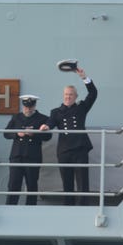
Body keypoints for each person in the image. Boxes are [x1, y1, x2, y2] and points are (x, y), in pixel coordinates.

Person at [40, 67, 98, 206]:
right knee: (67, 182)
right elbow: (50, 122)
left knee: (82, 182)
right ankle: (68, 207)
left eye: (71, 94)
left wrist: (85, 78)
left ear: (75, 96)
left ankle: (83, 206)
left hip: (80, 149)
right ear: (63, 95)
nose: (68, 96)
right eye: (66, 94)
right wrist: (45, 127)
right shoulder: (56, 112)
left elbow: (93, 94)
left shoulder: (81, 108)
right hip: (64, 150)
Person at [4, 95, 52, 205]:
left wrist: (34, 134)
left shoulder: (42, 118)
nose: (28, 109)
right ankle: (10, 207)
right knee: (13, 184)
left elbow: (48, 136)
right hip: (17, 155)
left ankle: (31, 208)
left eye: (30, 107)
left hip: (32, 156)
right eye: (26, 107)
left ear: (34, 106)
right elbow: (6, 133)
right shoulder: (16, 117)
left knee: (32, 184)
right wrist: (17, 133)